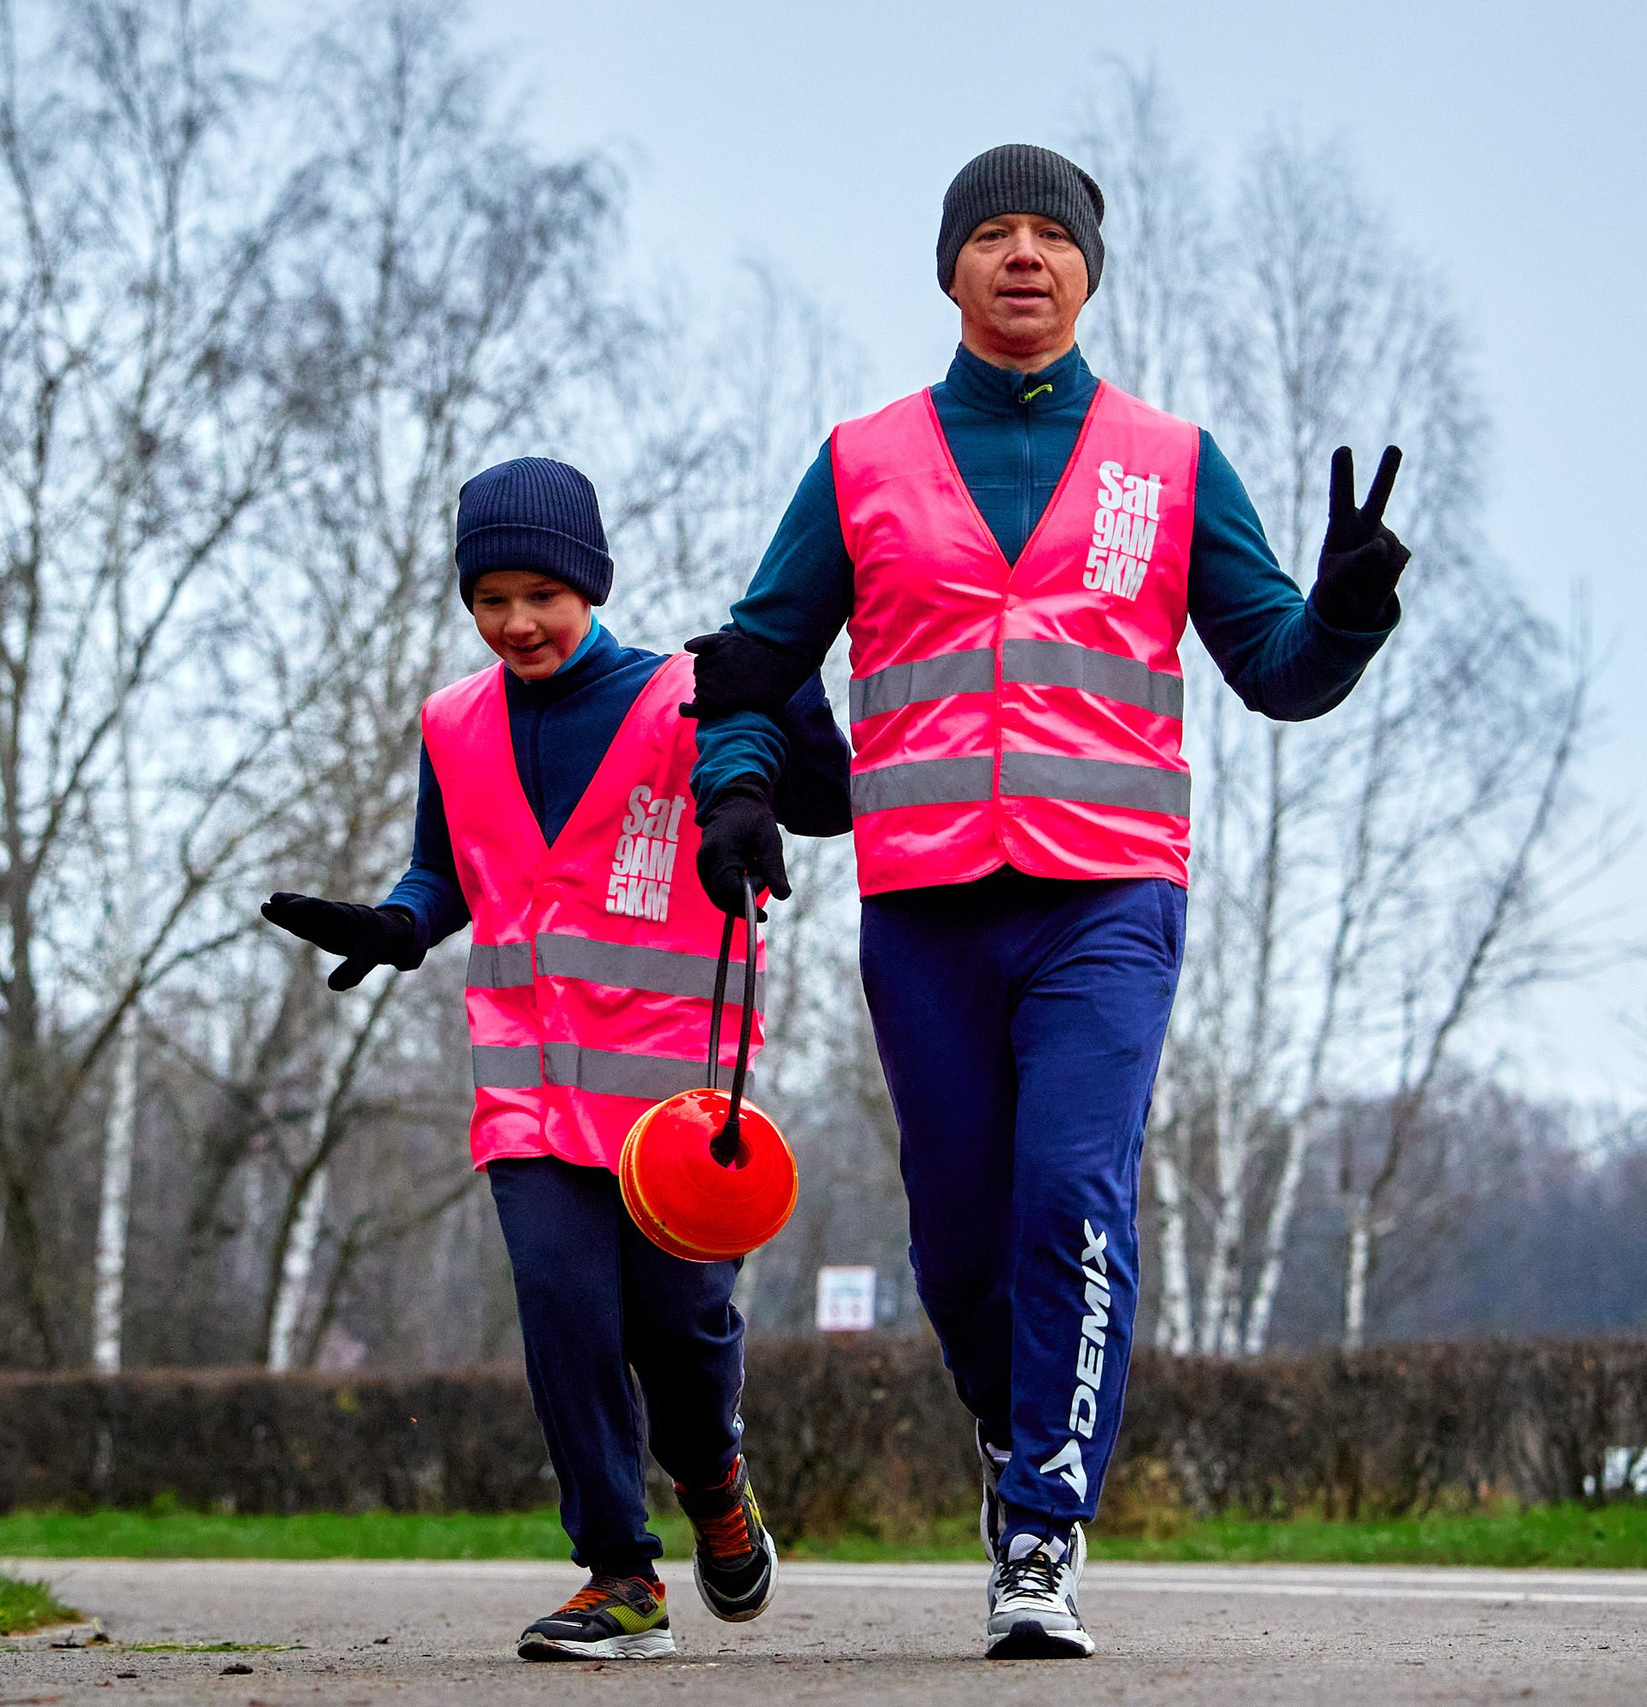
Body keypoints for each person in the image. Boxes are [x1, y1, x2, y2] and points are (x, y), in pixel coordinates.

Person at [683, 145, 1408, 1659]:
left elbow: (1277, 669)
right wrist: (738, 791)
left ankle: (1041, 1530)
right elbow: (751, 662)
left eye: (1051, 236)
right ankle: (1010, 1431)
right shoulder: (862, 462)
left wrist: (1343, 616)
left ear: (1089, 271)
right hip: (927, 904)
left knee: (1072, 1196)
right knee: (959, 1245)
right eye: (994, 233)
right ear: (949, 269)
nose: (1024, 255)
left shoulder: (1172, 460)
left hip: (1107, 901)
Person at [262, 457, 851, 1661]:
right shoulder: (452, 721)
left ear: (591, 585)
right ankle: (618, 1576)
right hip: (528, 1091)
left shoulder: (686, 695)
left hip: (677, 1096)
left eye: (541, 594)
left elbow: (828, 802)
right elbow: (446, 871)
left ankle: (714, 1480)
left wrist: (783, 682)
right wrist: (396, 926)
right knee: (566, 1319)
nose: (517, 622)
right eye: (491, 600)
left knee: (681, 1331)